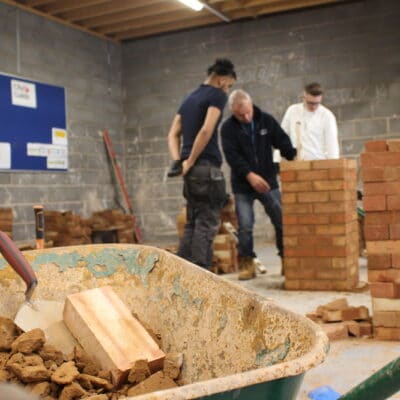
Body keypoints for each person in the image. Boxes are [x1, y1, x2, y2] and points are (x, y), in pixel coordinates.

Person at [167, 58, 236, 269]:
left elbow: (172, 134)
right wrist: (193, 159)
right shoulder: (217, 94)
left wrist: (180, 161)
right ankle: (199, 277)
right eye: (229, 84)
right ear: (222, 79)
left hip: (191, 172)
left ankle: (182, 273)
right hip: (207, 169)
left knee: (192, 223)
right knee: (206, 225)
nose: (228, 88)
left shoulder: (189, 98)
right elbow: (206, 130)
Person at [221, 89, 296, 280]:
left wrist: (292, 155)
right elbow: (233, 157)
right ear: (232, 111)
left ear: (251, 105)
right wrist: (250, 176)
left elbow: (282, 140)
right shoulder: (228, 129)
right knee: (245, 226)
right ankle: (247, 264)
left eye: (248, 112)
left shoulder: (266, 120)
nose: (245, 117)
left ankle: (287, 260)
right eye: (240, 115)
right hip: (243, 185)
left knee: (281, 221)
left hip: (268, 182)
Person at [281, 82, 339, 160]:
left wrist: (334, 166)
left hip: (318, 163)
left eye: (317, 103)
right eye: (310, 103)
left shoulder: (327, 116)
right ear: (303, 97)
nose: (313, 107)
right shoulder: (292, 111)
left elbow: (332, 145)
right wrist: (277, 162)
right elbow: (281, 137)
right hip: (295, 162)